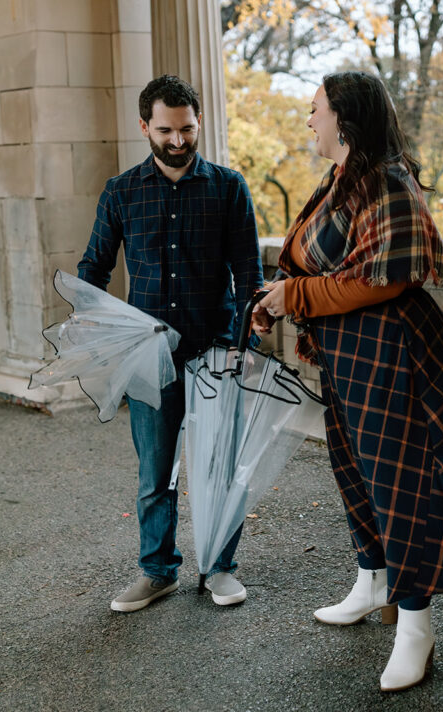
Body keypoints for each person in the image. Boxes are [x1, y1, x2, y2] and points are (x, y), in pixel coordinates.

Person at [252, 70, 443, 693]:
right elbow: (317, 262)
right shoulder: (341, 181)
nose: (310, 120)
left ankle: (415, 627)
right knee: (354, 468)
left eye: (316, 110)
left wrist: (292, 295)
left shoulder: (387, 183)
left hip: (391, 350)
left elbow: (382, 280)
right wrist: (276, 299)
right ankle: (372, 580)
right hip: (347, 350)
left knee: (401, 483)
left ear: (345, 119)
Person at [79, 74, 264, 613]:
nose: (178, 141)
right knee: (154, 473)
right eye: (166, 130)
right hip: (148, 355)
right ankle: (157, 572)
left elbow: (249, 273)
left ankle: (221, 569)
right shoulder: (121, 191)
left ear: (199, 122)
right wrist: (88, 317)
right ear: (145, 127)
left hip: (216, 349)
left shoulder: (230, 187)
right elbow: (94, 266)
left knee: (219, 468)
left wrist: (243, 338)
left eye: (187, 128)